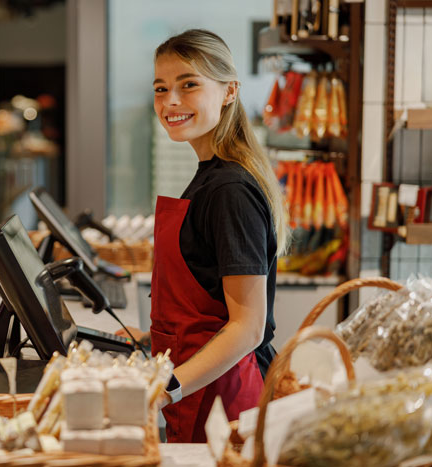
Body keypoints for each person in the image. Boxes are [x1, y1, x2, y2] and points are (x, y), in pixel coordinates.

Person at [117, 29, 289, 443]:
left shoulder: (230, 190)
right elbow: (207, 300)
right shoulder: (210, 176)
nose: (170, 102)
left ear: (229, 91)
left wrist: (164, 389)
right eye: (161, 88)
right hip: (201, 388)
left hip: (226, 399)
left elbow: (247, 328)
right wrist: (151, 338)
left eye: (188, 85)